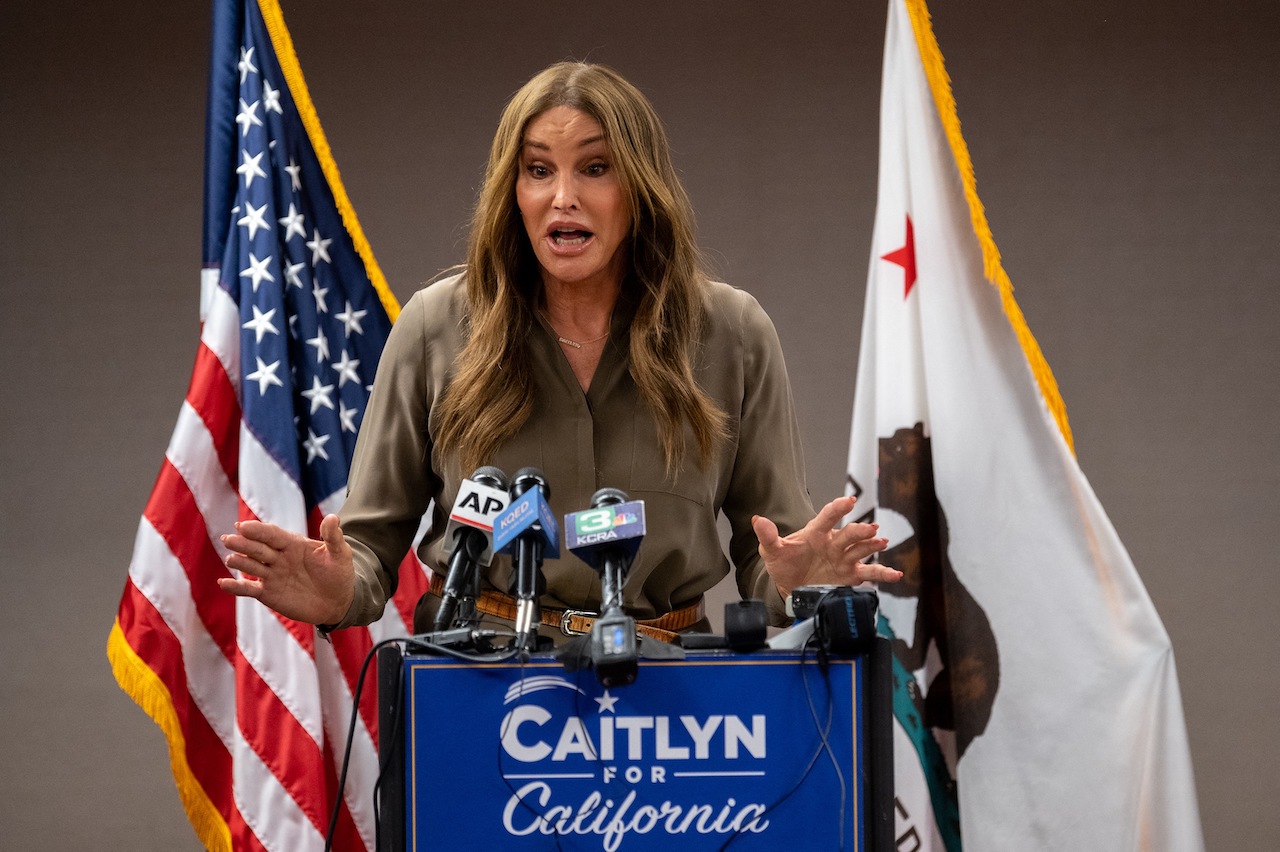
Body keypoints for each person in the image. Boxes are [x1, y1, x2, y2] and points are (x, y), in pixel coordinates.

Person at [218, 61, 900, 641]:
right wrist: (338, 589)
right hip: (479, 683)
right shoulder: (435, 327)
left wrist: (797, 585)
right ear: (512, 192)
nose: (563, 198)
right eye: (538, 170)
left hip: (673, 699)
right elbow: (366, 549)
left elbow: (770, 551)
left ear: (640, 188)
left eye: (596, 168)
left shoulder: (732, 332)